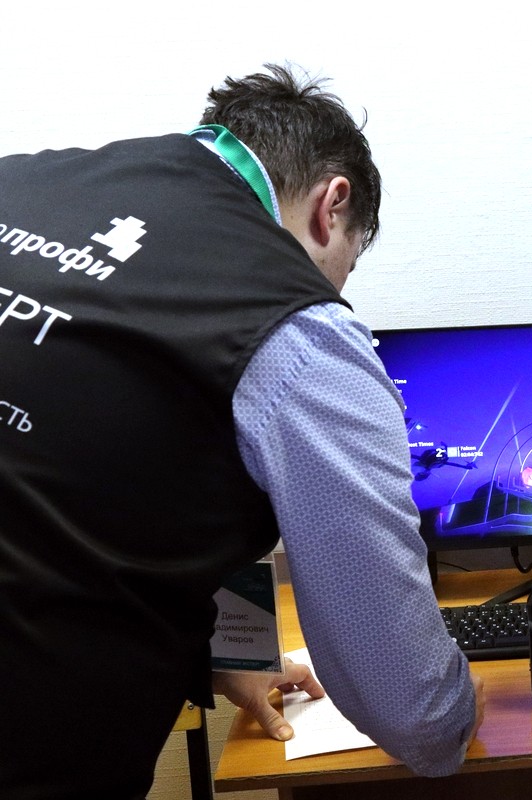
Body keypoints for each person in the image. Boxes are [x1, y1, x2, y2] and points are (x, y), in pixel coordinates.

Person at [0, 64, 482, 798]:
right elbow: (413, 713)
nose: (333, 290)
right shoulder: (297, 329)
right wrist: (458, 712)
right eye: (346, 265)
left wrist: (215, 655)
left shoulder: (22, 181)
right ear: (331, 206)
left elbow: (76, 472)